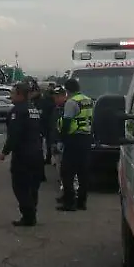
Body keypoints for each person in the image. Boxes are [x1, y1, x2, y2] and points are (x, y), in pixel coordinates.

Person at [0, 82, 46, 226]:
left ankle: (28, 215)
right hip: (37, 153)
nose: (10, 96)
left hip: (23, 155)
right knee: (33, 186)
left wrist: (4, 152)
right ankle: (32, 213)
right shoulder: (34, 109)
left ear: (20, 94)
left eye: (12, 93)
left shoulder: (17, 111)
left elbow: (14, 135)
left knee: (20, 186)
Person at [57, 77, 94, 211]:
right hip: (86, 138)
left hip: (74, 139)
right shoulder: (88, 100)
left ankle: (69, 202)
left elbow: (67, 122)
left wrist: (62, 139)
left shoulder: (71, 102)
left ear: (67, 90)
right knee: (83, 172)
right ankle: (82, 202)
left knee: (67, 172)